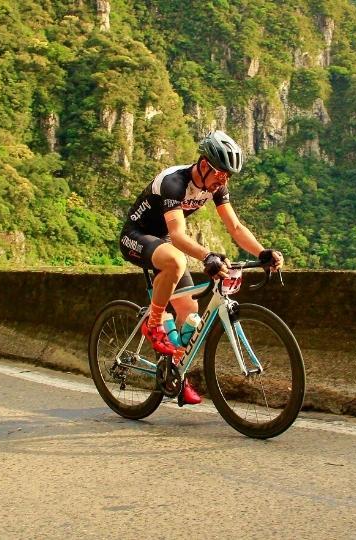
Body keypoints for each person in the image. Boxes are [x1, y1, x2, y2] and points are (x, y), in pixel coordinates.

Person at [119, 130, 284, 404]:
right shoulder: (175, 182)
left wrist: (262, 252)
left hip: (165, 242)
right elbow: (180, 236)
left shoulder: (216, 186)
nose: (224, 180)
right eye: (221, 173)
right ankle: (154, 322)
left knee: (189, 311)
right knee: (176, 260)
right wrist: (208, 256)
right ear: (205, 165)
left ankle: (174, 374)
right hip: (136, 236)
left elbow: (235, 227)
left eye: (228, 176)